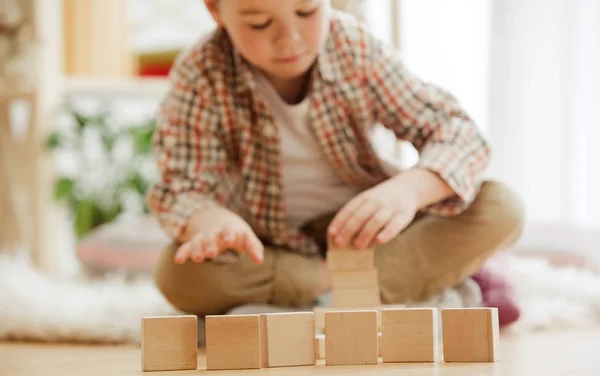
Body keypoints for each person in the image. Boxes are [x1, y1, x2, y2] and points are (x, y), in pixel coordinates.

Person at [147, 0, 524, 326]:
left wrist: (409, 190)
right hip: (272, 247)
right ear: (216, 10)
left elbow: (457, 132)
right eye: (259, 22)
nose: (289, 39)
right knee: (177, 274)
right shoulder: (200, 72)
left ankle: (319, 298)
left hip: (372, 234)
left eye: (307, 10)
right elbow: (180, 188)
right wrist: (214, 222)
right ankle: (367, 287)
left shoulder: (354, 46)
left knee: (500, 206)